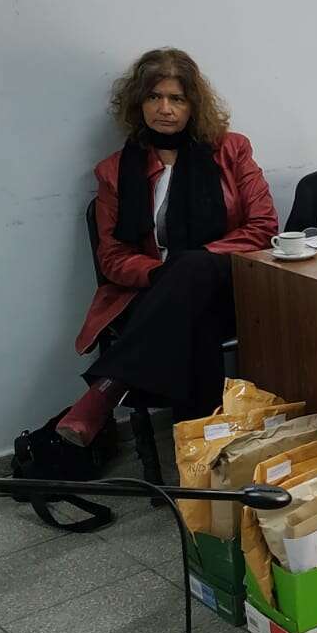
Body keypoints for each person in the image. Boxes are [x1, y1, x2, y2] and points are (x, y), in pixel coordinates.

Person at [60, 49, 278, 445]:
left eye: (177, 98)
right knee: (194, 315)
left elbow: (263, 228)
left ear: (193, 104)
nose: (165, 109)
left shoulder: (232, 150)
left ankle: (108, 387)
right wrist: (165, 273)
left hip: (229, 282)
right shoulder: (114, 171)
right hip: (152, 292)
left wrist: (189, 264)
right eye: (154, 97)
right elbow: (112, 257)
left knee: (192, 269)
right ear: (138, 103)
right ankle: (204, 454)